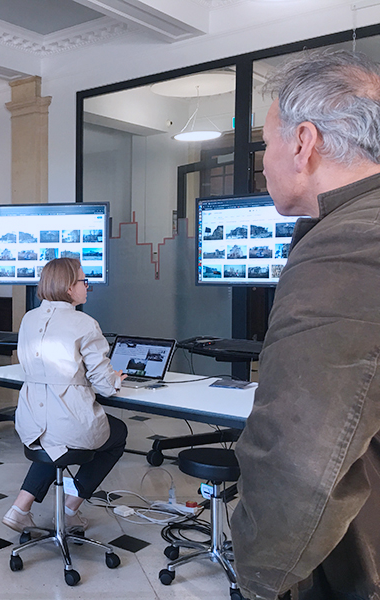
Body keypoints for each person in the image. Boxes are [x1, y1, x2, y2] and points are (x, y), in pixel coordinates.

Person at [231, 50, 380, 600]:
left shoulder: (347, 245)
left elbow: (300, 454)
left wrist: (259, 576)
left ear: (303, 143)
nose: (262, 164)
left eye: (265, 145)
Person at [2, 258, 128, 533]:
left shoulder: (29, 318)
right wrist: (116, 380)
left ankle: (19, 508)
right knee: (117, 433)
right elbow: (105, 385)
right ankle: (70, 509)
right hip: (67, 424)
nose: (87, 287)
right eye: (84, 281)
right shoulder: (85, 323)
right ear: (69, 287)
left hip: (30, 420)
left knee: (54, 441)